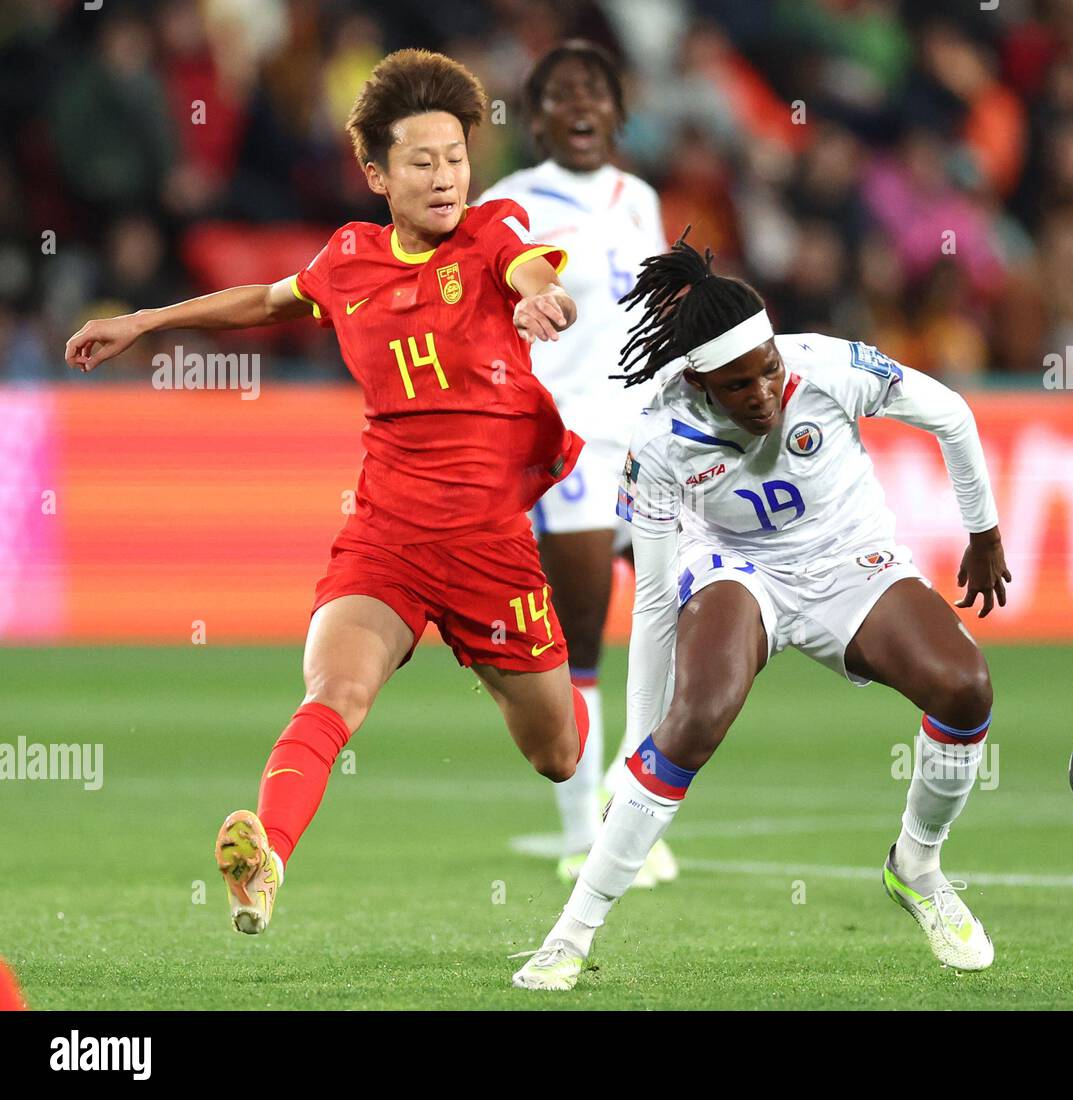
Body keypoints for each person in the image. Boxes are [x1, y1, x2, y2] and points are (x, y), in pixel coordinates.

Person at [65, 49, 591, 936]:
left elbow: (530, 270)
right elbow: (269, 301)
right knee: (332, 694)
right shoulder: (347, 260)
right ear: (377, 174)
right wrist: (149, 320)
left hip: (490, 551)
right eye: (421, 162)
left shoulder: (494, 232)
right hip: (385, 534)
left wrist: (546, 298)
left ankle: (542, 690)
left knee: (559, 754)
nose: (444, 177)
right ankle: (265, 856)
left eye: (456, 156)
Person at [511, 232, 1011, 990]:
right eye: (740, 385)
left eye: (769, 368)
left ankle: (918, 865)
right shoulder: (657, 436)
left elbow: (951, 414)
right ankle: (570, 936)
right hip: (737, 568)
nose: (764, 393)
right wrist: (641, 739)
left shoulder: (829, 364)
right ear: (701, 383)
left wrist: (983, 530)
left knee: (967, 686)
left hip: (850, 557)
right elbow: (650, 601)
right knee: (695, 721)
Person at [480, 41, 677, 886]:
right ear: (536, 118)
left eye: (595, 90)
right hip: (569, 444)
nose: (581, 104)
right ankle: (580, 838)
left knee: (671, 632)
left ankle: (632, 821)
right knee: (582, 639)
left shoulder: (642, 199)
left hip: (653, 443)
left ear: (618, 112)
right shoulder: (506, 205)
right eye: (561, 94)